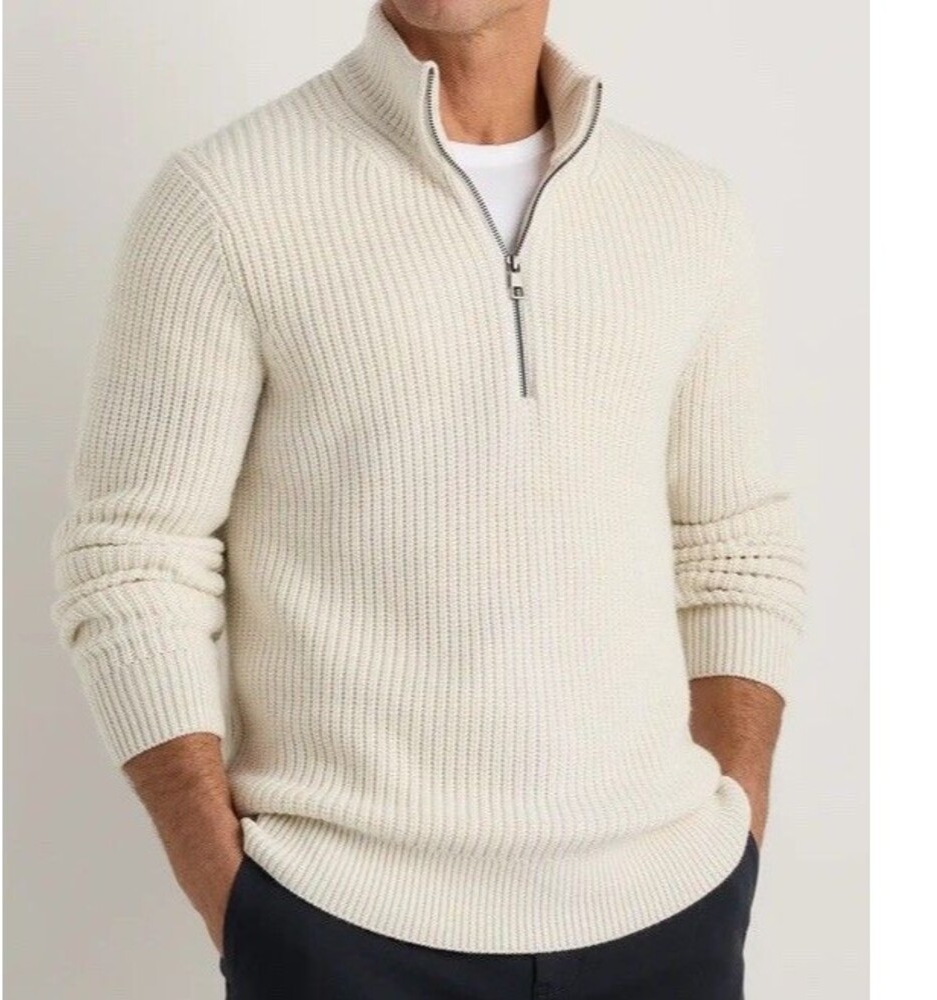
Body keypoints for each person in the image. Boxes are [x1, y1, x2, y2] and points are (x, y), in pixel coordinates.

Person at [49, 1, 807, 997]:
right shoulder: (227, 198)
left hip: (670, 915)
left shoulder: (684, 210)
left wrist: (733, 836)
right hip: (341, 929)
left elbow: (735, 546)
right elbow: (132, 558)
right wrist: (231, 893)